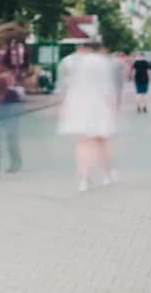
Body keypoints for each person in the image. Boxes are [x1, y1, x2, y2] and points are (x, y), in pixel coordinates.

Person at [57, 42, 118, 191]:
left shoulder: (68, 61)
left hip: (77, 105)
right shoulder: (101, 61)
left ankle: (83, 179)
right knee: (102, 141)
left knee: (82, 143)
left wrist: (63, 107)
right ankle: (106, 175)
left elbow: (63, 86)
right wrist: (113, 107)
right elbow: (108, 86)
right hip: (98, 103)